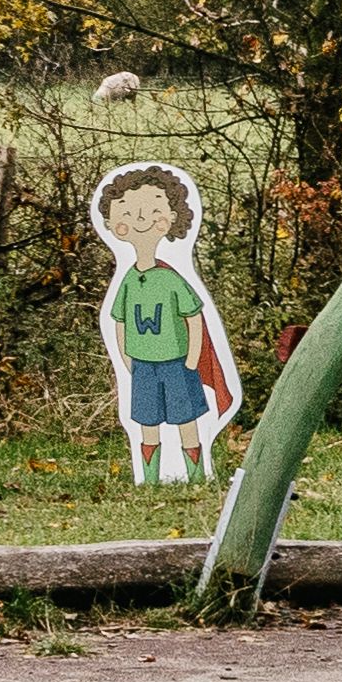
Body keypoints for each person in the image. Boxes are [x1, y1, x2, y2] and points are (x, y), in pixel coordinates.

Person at [91, 161, 240, 491]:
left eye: (151, 208)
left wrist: (191, 358)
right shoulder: (129, 280)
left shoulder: (172, 279)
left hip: (177, 364)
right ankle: (150, 480)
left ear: (171, 218)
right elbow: (119, 320)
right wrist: (127, 358)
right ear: (115, 224)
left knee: (186, 421)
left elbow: (193, 319)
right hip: (143, 366)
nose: (140, 218)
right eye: (128, 211)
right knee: (147, 423)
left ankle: (197, 476)